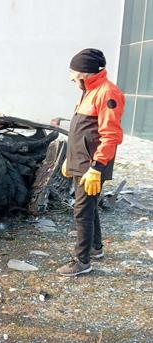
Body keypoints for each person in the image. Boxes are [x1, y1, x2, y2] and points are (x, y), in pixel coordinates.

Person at [58, 48, 124, 277]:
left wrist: (96, 169)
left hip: (92, 166)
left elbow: (110, 136)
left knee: (82, 211)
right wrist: (69, 160)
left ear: (85, 73)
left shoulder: (107, 93)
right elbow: (82, 131)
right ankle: (95, 248)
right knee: (89, 206)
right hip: (82, 162)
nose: (71, 77)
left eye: (73, 72)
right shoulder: (89, 89)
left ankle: (81, 261)